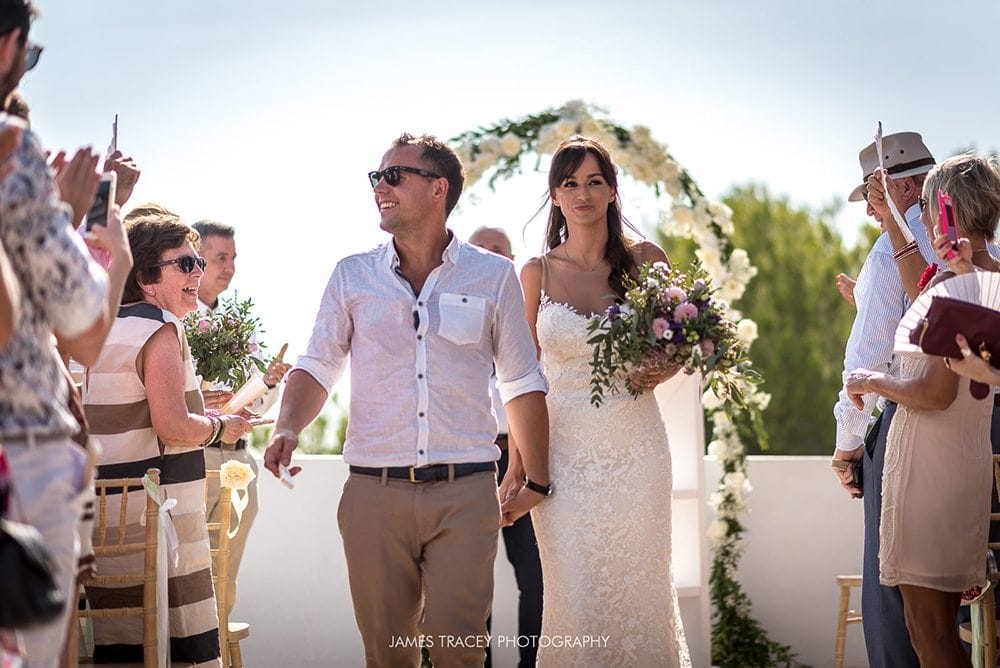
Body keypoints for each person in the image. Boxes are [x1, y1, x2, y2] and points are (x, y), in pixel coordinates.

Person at [263, 133, 550, 667]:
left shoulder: (494, 275)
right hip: (374, 494)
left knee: (459, 650)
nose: (380, 187)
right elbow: (318, 363)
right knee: (387, 656)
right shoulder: (352, 275)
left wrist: (535, 476)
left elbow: (521, 379)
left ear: (438, 188)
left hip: (465, 492)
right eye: (376, 177)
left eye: (394, 175)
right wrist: (287, 427)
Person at [503, 135, 690, 666]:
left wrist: (661, 368)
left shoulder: (647, 259)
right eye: (569, 183)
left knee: (640, 595)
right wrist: (518, 466)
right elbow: (524, 379)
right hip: (563, 458)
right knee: (576, 595)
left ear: (611, 191)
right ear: (555, 196)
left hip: (637, 451)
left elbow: (683, 344)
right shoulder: (534, 272)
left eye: (593, 182)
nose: (582, 193)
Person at [0, 3, 133, 664]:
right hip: (17, 455)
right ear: (10, 47)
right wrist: (76, 227)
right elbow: (81, 331)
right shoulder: (8, 145)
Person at [845, 153, 1000, 664]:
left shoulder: (957, 283)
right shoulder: (987, 273)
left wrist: (873, 380)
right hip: (960, 461)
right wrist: (894, 222)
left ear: (945, 208)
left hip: (931, 471)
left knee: (929, 634)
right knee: (934, 631)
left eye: (931, 206)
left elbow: (936, 391)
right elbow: (928, 290)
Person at [83, 210, 255, 665]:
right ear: (145, 277)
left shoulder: (92, 331)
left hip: (103, 521)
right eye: (185, 264)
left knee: (121, 645)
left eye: (198, 262)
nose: (198, 272)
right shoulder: (159, 327)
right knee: (177, 645)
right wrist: (222, 426)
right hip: (156, 525)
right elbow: (173, 426)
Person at [830, 131, 937, 668]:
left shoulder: (888, 251)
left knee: (893, 594)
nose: (872, 214)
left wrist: (847, 446)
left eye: (873, 199)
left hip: (910, 431)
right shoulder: (977, 242)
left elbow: (865, 365)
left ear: (899, 188)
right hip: (983, 431)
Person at [191, 218, 290, 617]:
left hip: (239, 459)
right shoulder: (170, 321)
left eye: (232, 258)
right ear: (194, 258)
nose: (229, 266)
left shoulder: (238, 322)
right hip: (195, 457)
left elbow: (258, 406)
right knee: (191, 576)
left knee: (225, 580)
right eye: (220, 257)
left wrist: (266, 384)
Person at [468, 225, 543, 668]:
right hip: (473, 462)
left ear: (511, 263)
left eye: (499, 251)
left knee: (534, 577)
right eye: (480, 250)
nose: (489, 257)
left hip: (525, 461)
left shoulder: (530, 325)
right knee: (473, 583)